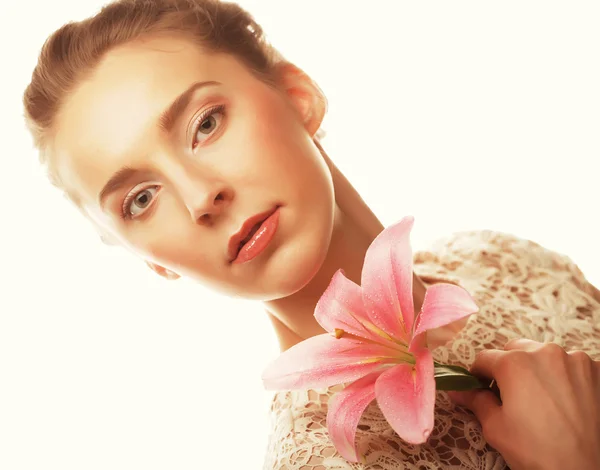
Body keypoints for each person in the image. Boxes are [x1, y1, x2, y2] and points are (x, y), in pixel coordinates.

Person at [22, 0, 600, 468]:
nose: (201, 198)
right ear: (151, 261)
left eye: (205, 123)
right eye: (141, 199)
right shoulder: (327, 460)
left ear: (298, 97)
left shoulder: (507, 259)